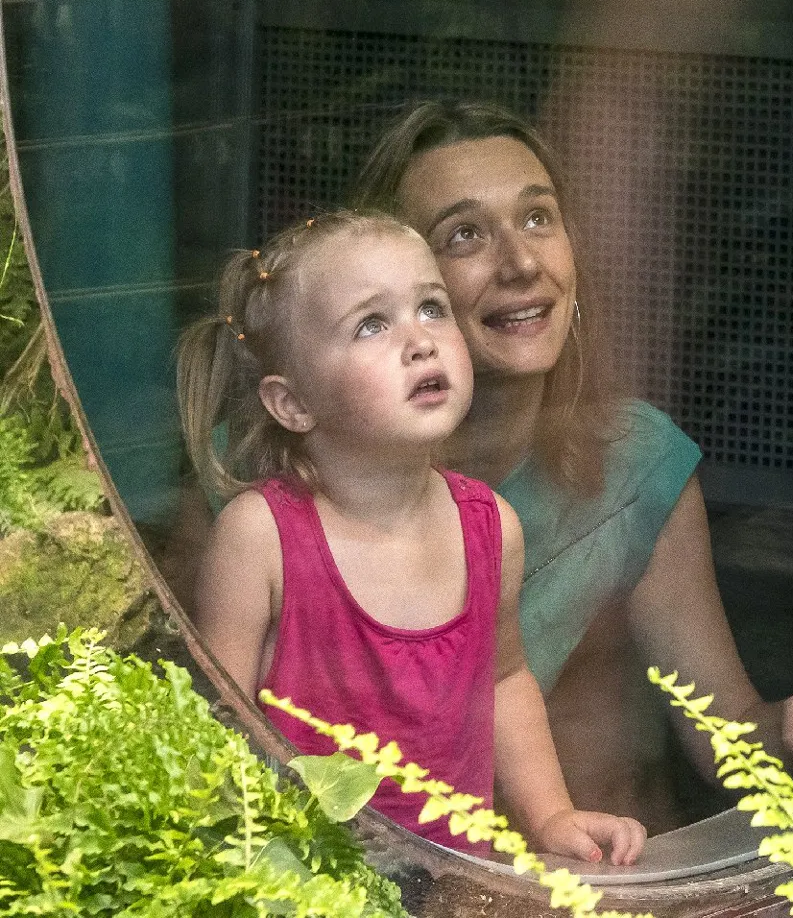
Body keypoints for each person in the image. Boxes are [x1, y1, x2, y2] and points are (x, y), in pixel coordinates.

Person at [352, 102, 793, 818]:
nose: (521, 263)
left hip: (608, 871)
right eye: (465, 235)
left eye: (538, 218)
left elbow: (732, 745)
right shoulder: (285, 480)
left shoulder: (633, 462)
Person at [182, 210, 647, 864]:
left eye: (432, 308)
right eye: (372, 324)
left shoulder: (493, 528)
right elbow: (215, 729)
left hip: (457, 883)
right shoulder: (259, 537)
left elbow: (505, 680)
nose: (420, 341)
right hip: (303, 885)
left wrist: (551, 815)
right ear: (292, 404)